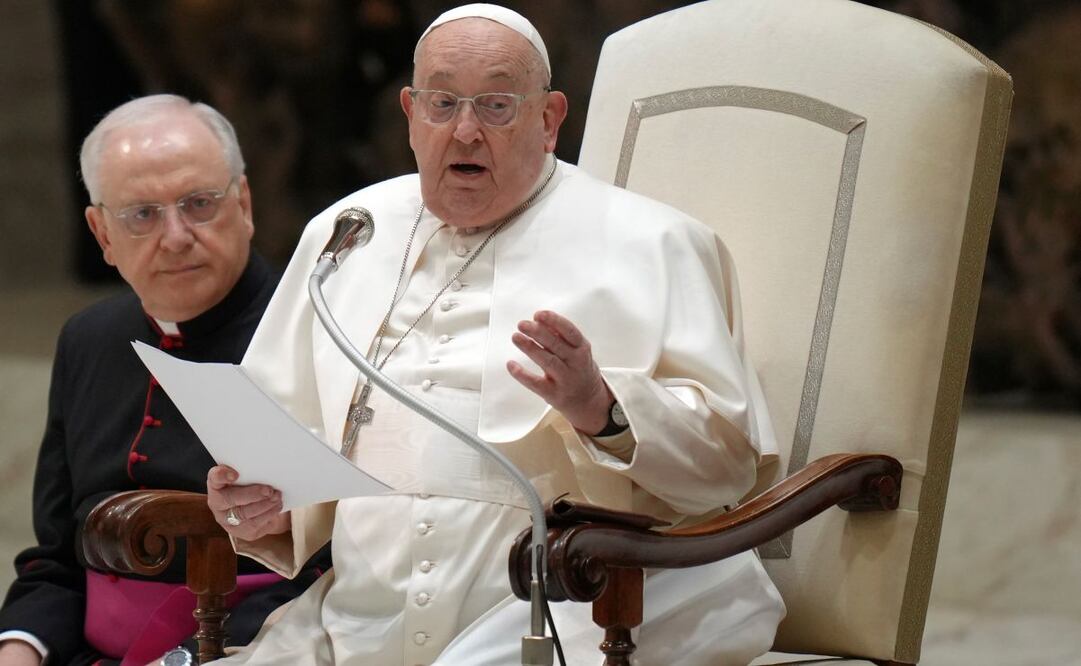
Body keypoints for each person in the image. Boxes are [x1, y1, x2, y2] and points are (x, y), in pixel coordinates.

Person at [208, 5, 785, 665]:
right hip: (356, 624)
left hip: (560, 615)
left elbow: (724, 471)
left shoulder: (654, 243)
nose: (464, 131)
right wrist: (265, 508)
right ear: (408, 113)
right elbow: (282, 448)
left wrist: (601, 409)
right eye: (442, 102)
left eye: (496, 106)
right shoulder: (348, 232)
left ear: (549, 119)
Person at [0, 95, 329, 666]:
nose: (176, 237)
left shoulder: (317, 333)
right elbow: (54, 561)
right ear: (102, 234)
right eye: (142, 215)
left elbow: (340, 564)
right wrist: (19, 647)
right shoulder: (87, 339)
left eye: (199, 204)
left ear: (244, 204)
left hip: (251, 648)